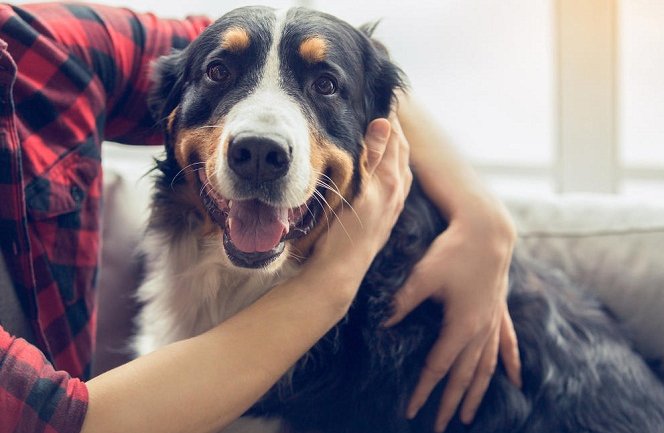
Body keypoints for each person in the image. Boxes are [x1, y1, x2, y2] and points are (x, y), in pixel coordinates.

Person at [0, 3, 519, 433]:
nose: (261, 142)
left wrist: (484, 220)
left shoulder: (33, 43)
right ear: (171, 118)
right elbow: (69, 422)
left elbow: (291, 37)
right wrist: (332, 281)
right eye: (220, 75)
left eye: (325, 85)